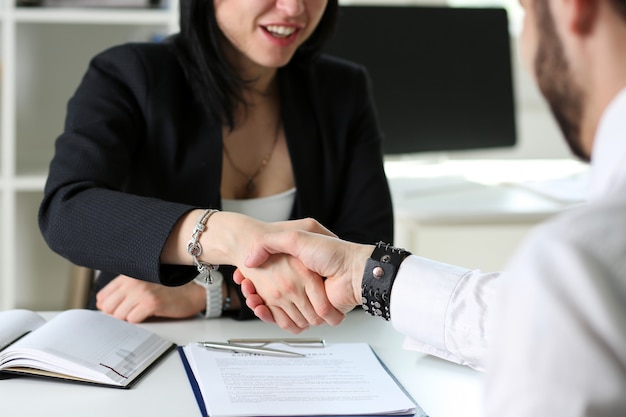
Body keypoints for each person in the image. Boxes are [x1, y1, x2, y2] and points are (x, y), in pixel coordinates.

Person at [235, 0, 626, 414]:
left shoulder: (582, 260)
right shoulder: (583, 273)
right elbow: (543, 326)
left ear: (574, 7)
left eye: (527, 10)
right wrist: (361, 273)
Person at [38, 0, 393, 324]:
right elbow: (67, 211)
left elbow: (367, 256)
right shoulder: (128, 73)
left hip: (303, 346)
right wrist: (234, 236)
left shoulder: (343, 89)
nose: (292, 7)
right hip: (145, 334)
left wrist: (211, 292)